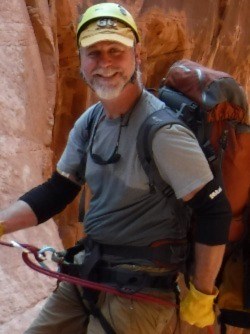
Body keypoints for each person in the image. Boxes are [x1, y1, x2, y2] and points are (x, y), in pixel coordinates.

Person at [0, 3, 232, 333]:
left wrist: (202, 294)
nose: (105, 63)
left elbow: (213, 210)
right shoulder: (90, 122)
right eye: (93, 52)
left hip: (140, 292)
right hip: (87, 273)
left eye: (115, 50)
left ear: (137, 55)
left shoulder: (163, 133)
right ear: (80, 60)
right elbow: (58, 190)